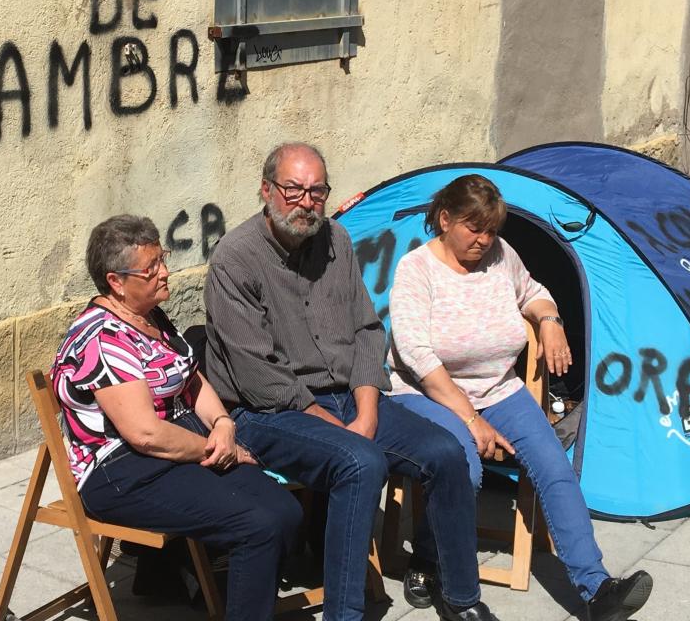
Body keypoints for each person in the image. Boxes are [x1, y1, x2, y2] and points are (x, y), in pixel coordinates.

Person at [205, 143, 501, 621]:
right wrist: (338, 428)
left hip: (345, 396)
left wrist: (365, 411)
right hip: (266, 412)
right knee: (360, 461)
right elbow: (258, 375)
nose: (306, 202)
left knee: (447, 451)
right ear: (266, 191)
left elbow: (367, 330)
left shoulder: (336, 241)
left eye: (317, 192)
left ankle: (462, 599)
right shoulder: (235, 259)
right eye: (293, 190)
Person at [387, 174, 653, 621]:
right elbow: (418, 359)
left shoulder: (500, 256)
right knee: (463, 470)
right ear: (445, 219)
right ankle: (431, 561)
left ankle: (596, 589)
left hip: (499, 389)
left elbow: (531, 291)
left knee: (555, 468)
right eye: (474, 228)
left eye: (491, 229)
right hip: (429, 395)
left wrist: (549, 319)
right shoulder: (416, 270)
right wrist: (472, 420)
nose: (484, 239)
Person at [52, 215, 304, 621]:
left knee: (286, 511)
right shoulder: (103, 338)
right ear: (116, 282)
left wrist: (223, 423)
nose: (165, 272)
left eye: (162, 259)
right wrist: (224, 451)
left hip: (178, 446)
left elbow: (191, 378)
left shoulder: (151, 316)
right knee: (256, 526)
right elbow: (145, 434)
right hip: (121, 471)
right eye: (151, 268)